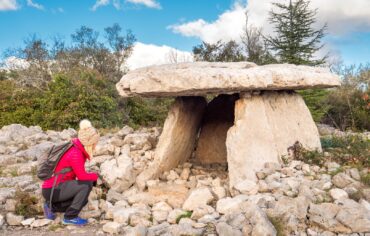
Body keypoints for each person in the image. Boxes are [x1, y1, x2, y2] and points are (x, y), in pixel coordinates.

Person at [41, 119, 100, 226]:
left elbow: (78, 174)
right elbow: (81, 176)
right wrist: (95, 176)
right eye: (95, 143)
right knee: (85, 186)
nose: (96, 145)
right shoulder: (76, 153)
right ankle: (70, 217)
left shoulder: (75, 147)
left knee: (83, 200)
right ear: (89, 143)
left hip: (53, 188)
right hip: (53, 189)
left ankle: (51, 207)